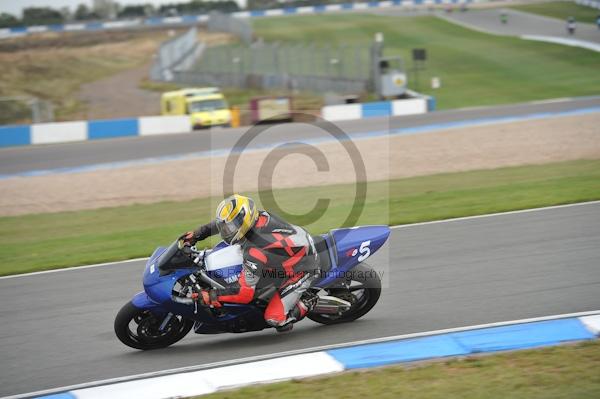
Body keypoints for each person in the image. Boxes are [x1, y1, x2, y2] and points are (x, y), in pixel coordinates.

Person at [183, 194, 320, 332]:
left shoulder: (255, 249)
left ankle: (308, 300)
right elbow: (223, 223)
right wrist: (197, 234)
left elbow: (244, 294)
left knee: (275, 318)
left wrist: (212, 295)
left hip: (303, 267)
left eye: (230, 227)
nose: (226, 230)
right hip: (291, 249)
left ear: (245, 221)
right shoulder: (255, 218)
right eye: (227, 227)